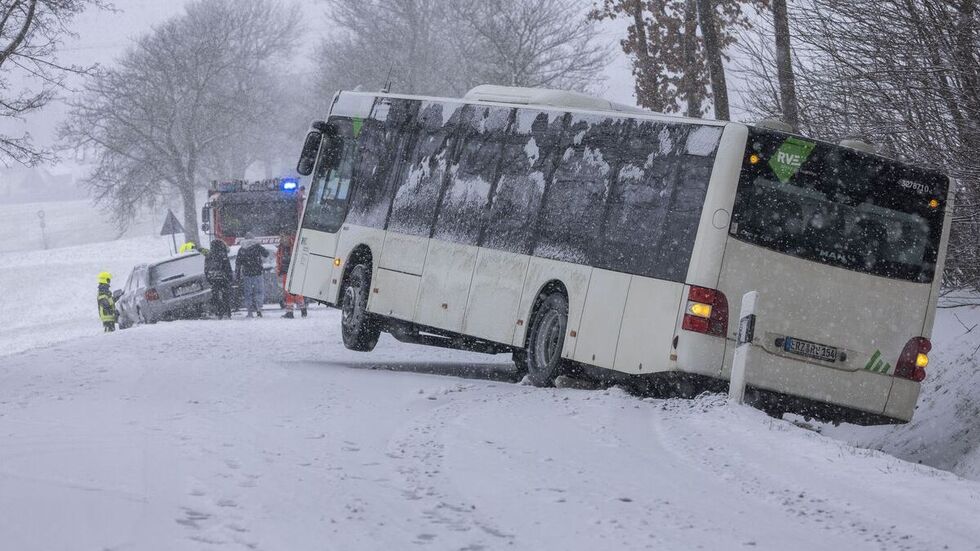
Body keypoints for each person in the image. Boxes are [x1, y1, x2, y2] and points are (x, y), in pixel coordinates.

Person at [235, 232, 269, 318]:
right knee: (259, 292)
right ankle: (258, 309)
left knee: (248, 293)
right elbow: (266, 254)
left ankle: (249, 312)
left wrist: (237, 275)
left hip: (247, 274)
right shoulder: (257, 247)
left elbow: (238, 263)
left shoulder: (241, 249)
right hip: (258, 272)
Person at [276, 231, 307, 319]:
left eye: (283, 237)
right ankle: (301, 309)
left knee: (291, 291)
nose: (281, 239)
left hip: (292, 271)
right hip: (288, 272)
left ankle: (291, 312)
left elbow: (281, 259)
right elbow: (279, 260)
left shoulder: (292, 246)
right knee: (292, 291)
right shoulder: (284, 247)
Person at [205, 239, 233, 319]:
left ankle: (219, 312)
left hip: (213, 278)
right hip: (223, 278)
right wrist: (230, 277)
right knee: (225, 295)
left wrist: (208, 278)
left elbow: (206, 268)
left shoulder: (208, 255)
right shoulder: (223, 254)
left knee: (216, 295)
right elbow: (227, 267)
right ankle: (227, 313)